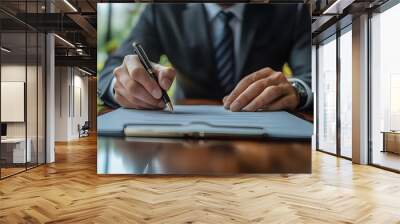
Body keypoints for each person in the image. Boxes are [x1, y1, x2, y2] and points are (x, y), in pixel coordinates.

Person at [98, 3, 312, 112]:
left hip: (265, 133)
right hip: (187, 139)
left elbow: (317, 74)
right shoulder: (162, 10)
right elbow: (111, 71)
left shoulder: (292, 10)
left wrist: (298, 90)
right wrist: (123, 85)